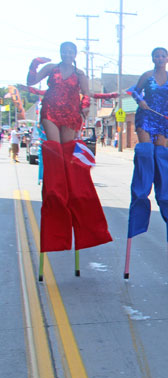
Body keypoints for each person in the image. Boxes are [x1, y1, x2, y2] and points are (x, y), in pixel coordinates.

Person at [26, 42, 112, 253]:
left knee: (67, 153)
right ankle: (55, 187)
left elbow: (87, 96)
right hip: (51, 110)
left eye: (70, 51)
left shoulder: (80, 73)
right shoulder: (51, 68)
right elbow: (31, 82)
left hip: (70, 114)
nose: (67, 54)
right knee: (54, 149)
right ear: (60, 52)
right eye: (64, 50)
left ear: (75, 54)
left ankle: (68, 186)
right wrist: (34, 64)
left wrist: (83, 109)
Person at [126, 46, 168, 246]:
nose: (160, 58)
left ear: (167, 58)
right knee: (146, 152)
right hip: (146, 116)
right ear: (153, 58)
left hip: (163, 118)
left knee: (161, 156)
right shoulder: (147, 75)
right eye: (157, 55)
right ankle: (143, 186)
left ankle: (164, 191)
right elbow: (133, 92)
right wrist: (140, 101)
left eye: (163, 55)